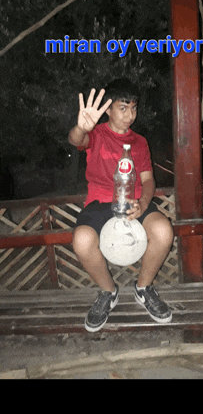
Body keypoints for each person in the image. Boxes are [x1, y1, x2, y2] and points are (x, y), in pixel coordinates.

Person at [68, 78, 174, 332]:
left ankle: (143, 288)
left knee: (163, 231)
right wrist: (80, 128)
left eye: (134, 108)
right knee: (81, 240)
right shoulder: (96, 134)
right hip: (100, 201)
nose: (130, 116)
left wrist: (143, 203)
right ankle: (108, 292)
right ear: (108, 109)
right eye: (123, 108)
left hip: (135, 200)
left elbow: (148, 180)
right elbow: (76, 141)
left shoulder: (140, 142)